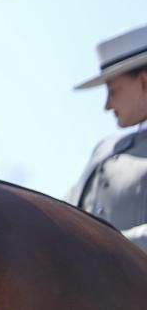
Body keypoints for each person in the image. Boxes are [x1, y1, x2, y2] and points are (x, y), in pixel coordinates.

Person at [67, 24, 147, 251]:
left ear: (143, 82)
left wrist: (106, 249)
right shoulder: (105, 148)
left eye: (113, 91)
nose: (107, 105)